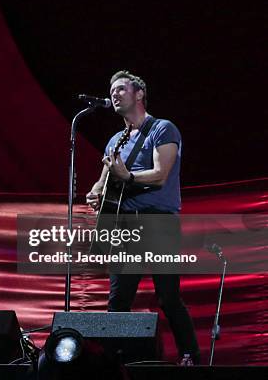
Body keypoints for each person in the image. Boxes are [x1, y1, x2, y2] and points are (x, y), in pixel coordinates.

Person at [86, 70, 200, 365]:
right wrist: (96, 192)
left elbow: (161, 175)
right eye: (112, 90)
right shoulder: (115, 141)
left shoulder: (162, 129)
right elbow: (104, 180)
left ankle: (190, 356)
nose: (114, 94)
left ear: (139, 94)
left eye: (121, 88)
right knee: (118, 300)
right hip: (124, 226)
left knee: (167, 297)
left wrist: (129, 176)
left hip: (158, 222)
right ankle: (114, 362)